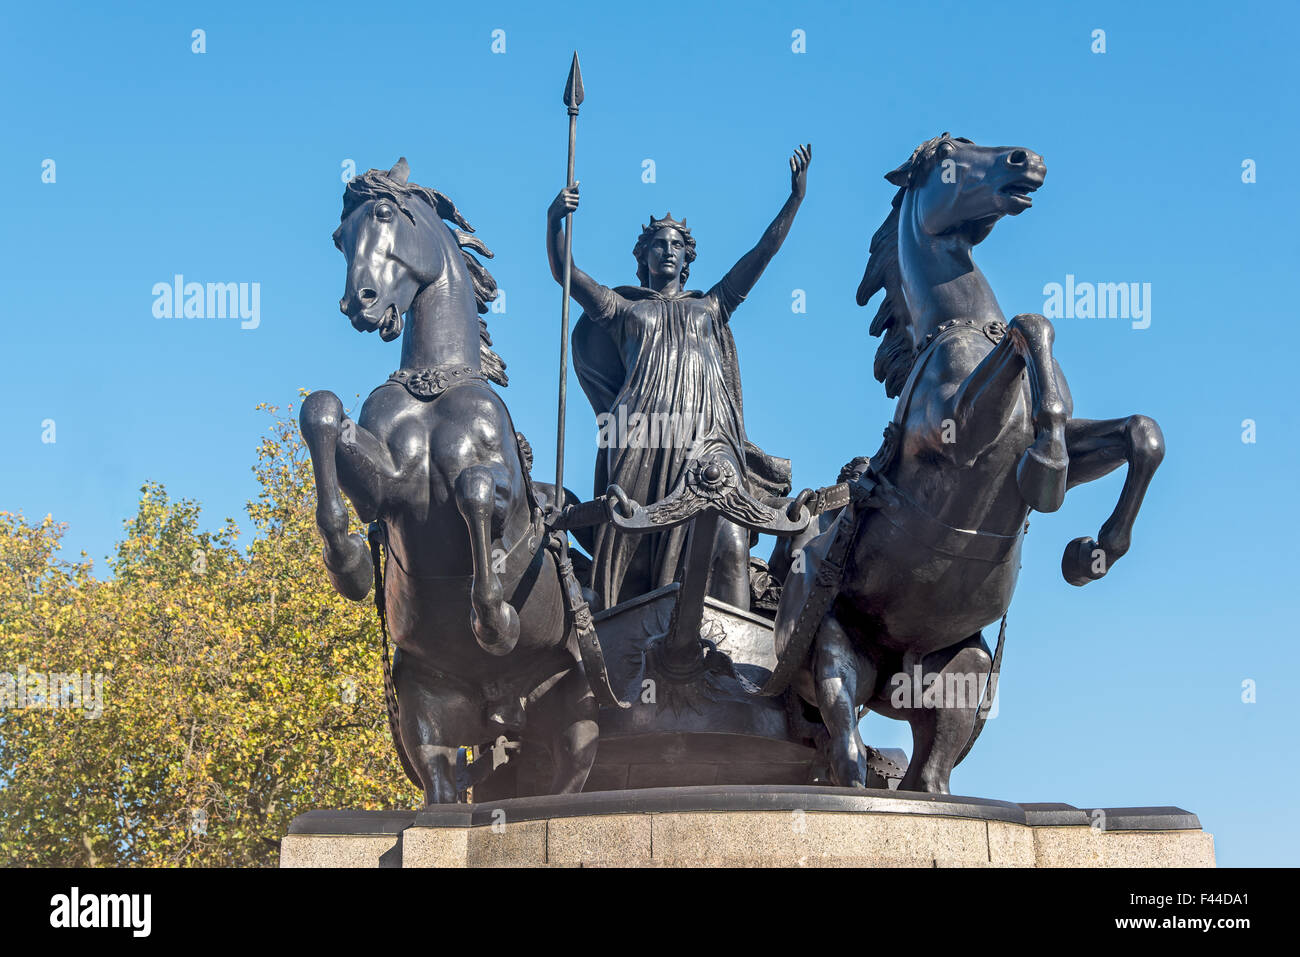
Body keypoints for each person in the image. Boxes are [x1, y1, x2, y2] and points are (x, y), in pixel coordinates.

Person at [546, 146, 811, 611]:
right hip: (643, 439)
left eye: (676, 245)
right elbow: (565, 273)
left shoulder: (711, 306)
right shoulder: (624, 310)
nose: (667, 251)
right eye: (658, 244)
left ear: (686, 258)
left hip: (709, 437)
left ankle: (733, 647)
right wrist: (554, 222)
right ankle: (629, 629)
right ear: (643, 256)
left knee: (728, 532)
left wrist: (795, 199)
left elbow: (763, 252)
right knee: (632, 551)